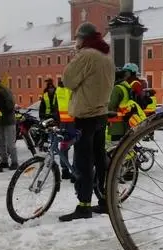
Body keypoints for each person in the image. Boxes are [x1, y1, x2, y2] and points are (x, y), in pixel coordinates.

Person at [58, 22, 115, 222]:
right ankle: (106, 200)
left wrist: (76, 56)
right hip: (101, 114)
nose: (76, 42)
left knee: (83, 162)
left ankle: (83, 206)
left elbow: (68, 80)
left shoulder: (86, 55)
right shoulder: (106, 57)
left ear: (84, 38)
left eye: (78, 38)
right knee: (100, 160)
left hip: (85, 115)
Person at [53, 79, 74, 180]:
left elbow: (55, 107)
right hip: (74, 122)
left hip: (63, 122)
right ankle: (75, 172)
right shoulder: (73, 89)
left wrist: (57, 122)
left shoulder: (58, 90)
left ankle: (65, 170)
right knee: (78, 147)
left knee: (64, 146)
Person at [0, 82, 18, 170]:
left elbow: (10, 105)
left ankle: (14, 162)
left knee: (9, 143)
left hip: (8, 120)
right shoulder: (2, 90)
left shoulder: (3, 91)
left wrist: (0, 108)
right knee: (1, 142)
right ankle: (4, 161)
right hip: (1, 120)